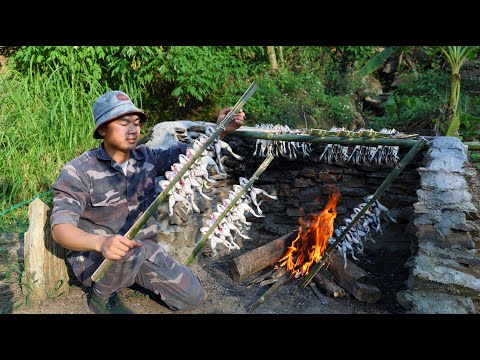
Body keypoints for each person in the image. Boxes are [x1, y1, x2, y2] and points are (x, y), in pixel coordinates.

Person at [50, 90, 245, 314]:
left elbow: (196, 152)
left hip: (142, 249)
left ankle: (133, 277)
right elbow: (61, 229)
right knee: (126, 251)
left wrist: (220, 129)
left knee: (192, 296)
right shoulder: (79, 170)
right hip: (97, 258)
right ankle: (101, 297)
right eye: (123, 123)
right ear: (102, 129)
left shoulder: (148, 158)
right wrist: (100, 243)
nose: (133, 130)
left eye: (136, 123)